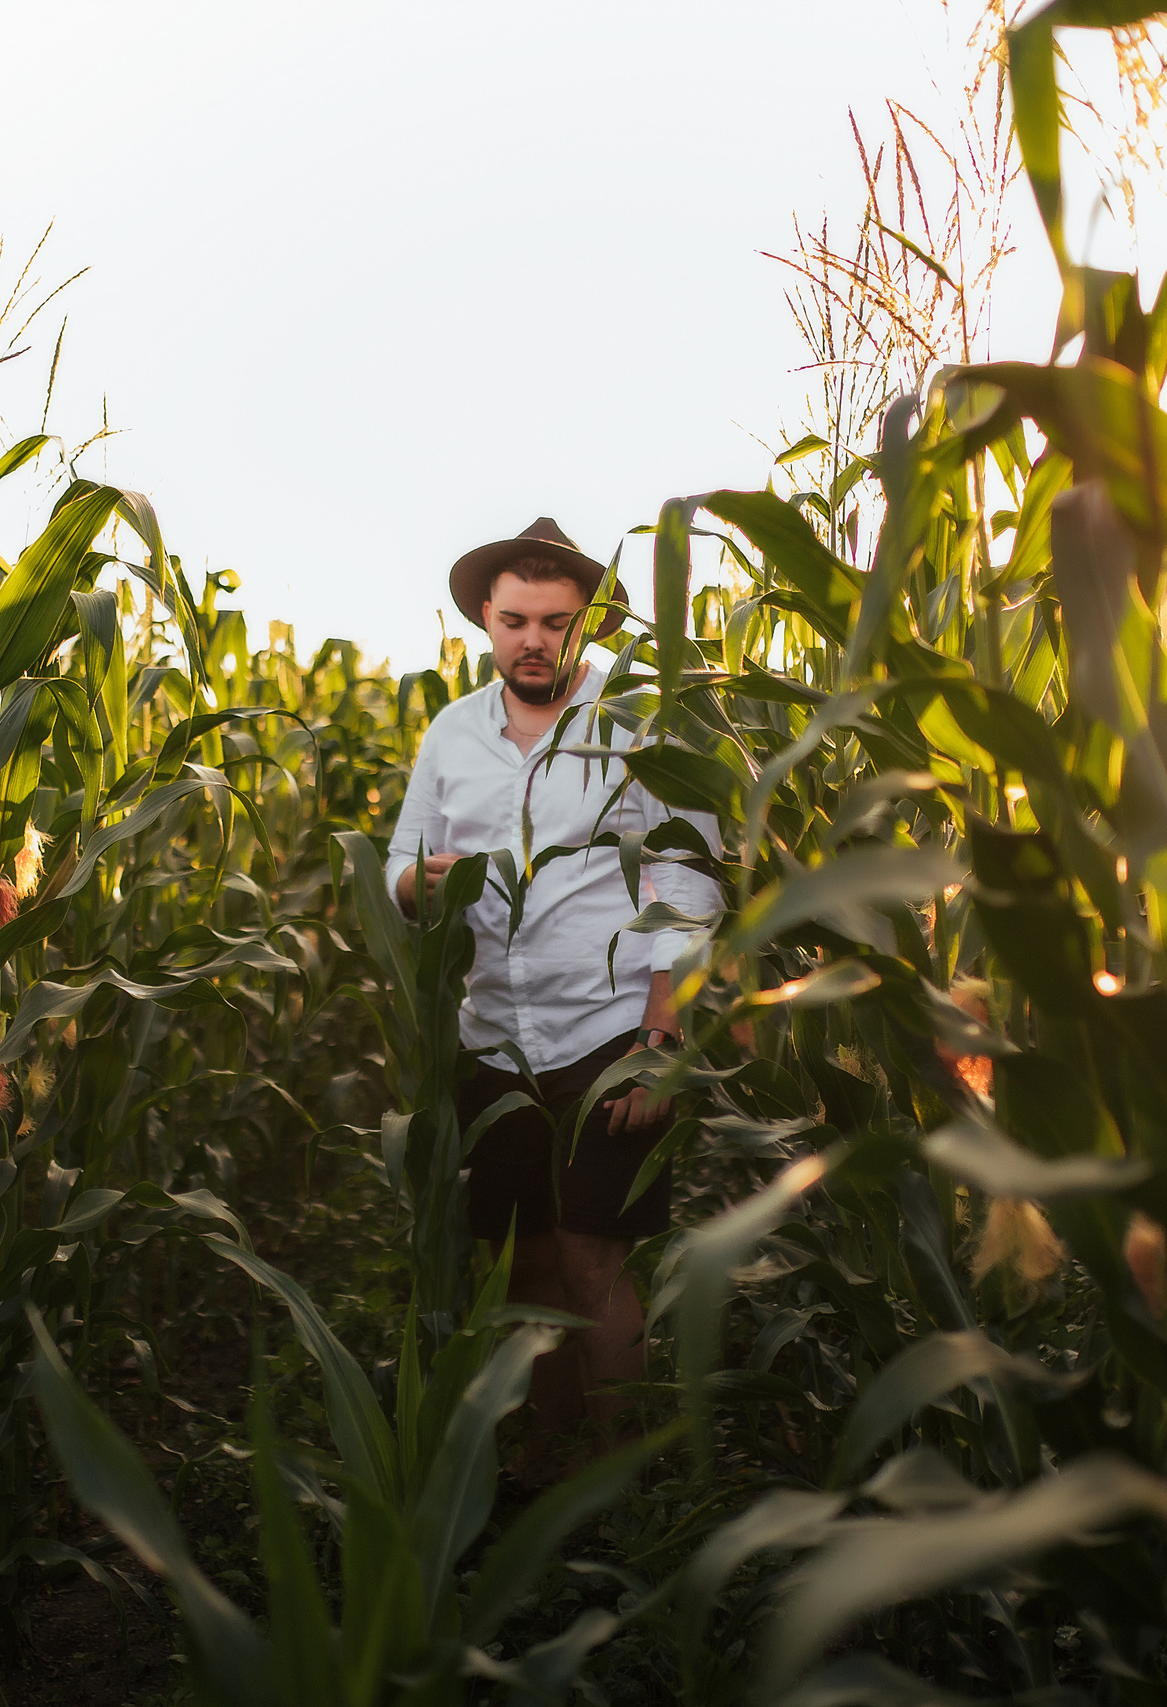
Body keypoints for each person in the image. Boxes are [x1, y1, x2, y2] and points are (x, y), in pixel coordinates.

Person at [384, 517, 722, 1478]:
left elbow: (688, 882)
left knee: (593, 1263)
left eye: (557, 623)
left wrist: (662, 1036)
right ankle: (545, 1445)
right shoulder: (452, 732)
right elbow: (401, 875)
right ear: (486, 621)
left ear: (585, 623)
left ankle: (628, 1472)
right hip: (494, 1037)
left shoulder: (637, 719)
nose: (535, 640)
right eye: (516, 620)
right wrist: (424, 884)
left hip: (606, 1030)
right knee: (525, 1266)